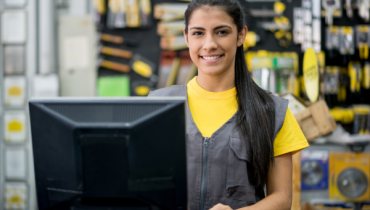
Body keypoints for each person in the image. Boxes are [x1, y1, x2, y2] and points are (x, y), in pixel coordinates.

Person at [148, 0, 309, 210]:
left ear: (241, 35)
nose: (209, 44)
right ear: (186, 37)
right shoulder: (156, 106)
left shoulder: (272, 112)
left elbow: (282, 198)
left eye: (221, 32)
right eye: (198, 33)